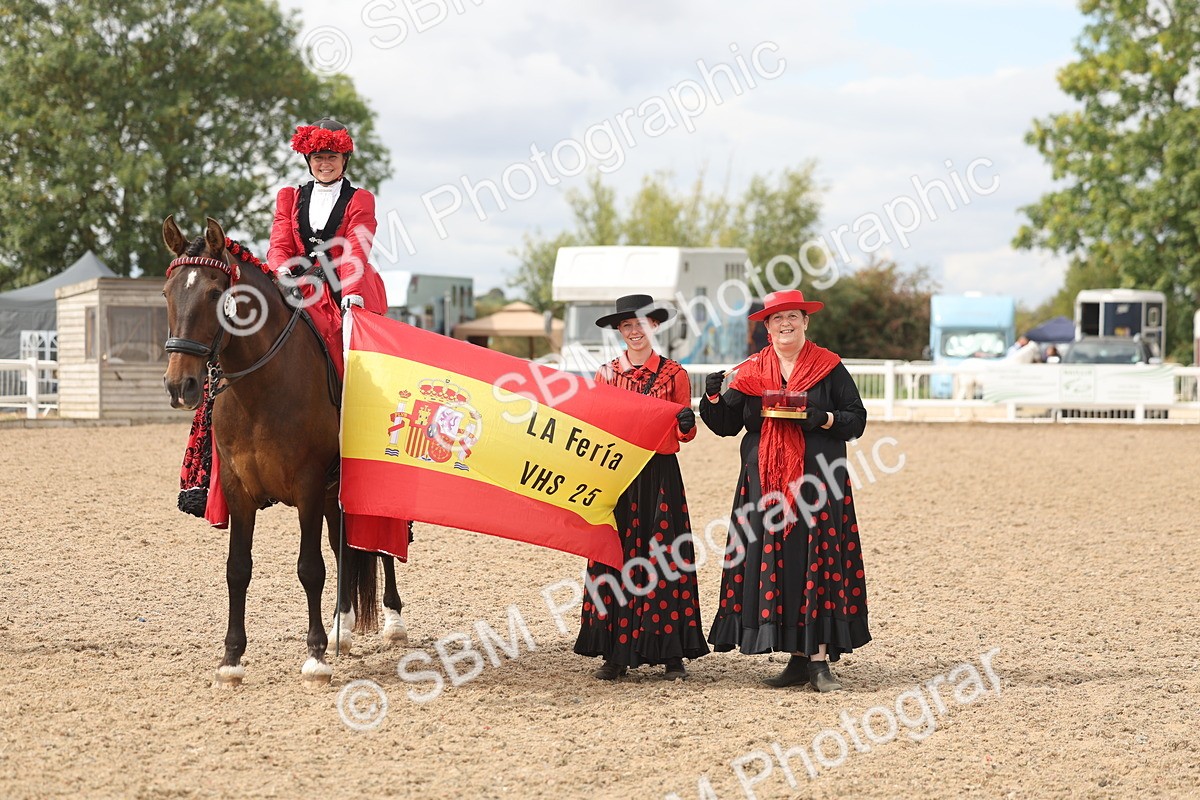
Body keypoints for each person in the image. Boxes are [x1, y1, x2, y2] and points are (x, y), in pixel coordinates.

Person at [700, 289, 870, 692]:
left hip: (818, 480)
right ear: (767, 327)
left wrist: (823, 417)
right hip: (764, 481)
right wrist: (711, 395)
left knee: (818, 561)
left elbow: (856, 419)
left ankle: (818, 661)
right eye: (776, 319)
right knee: (781, 563)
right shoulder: (751, 370)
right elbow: (725, 425)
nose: (785, 324)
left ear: (805, 321)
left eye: (792, 316)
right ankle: (796, 659)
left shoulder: (829, 367)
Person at [574, 294, 710, 680]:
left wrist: (685, 420)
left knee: (664, 556)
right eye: (627, 326)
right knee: (613, 553)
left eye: (641, 324)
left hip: (659, 474)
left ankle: (671, 654)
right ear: (620, 331)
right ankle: (614, 653)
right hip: (617, 474)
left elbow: (687, 435)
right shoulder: (605, 374)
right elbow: (595, 427)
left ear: (654, 326)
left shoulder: (675, 374)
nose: (635, 331)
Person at [267, 117, 389, 374]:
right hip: (300, 280)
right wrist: (280, 270)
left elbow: (357, 246)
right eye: (318, 157)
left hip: (343, 281)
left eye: (332, 157)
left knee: (353, 347)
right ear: (308, 161)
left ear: (344, 159)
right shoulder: (289, 197)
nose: (325, 164)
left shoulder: (360, 199)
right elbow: (279, 244)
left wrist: (350, 291)